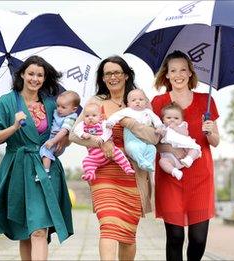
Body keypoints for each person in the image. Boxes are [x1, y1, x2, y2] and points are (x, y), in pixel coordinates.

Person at [0, 55, 73, 261]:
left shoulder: (52, 104)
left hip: (45, 169)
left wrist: (64, 140)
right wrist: (13, 127)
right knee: (26, 231)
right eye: (31, 73)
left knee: (40, 229)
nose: (35, 79)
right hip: (18, 169)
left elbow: (60, 141)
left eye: (40, 75)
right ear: (22, 74)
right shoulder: (7, 102)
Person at [69, 55, 160, 260]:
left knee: (128, 237)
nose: (113, 77)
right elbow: (74, 134)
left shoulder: (140, 101)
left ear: (126, 75)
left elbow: (154, 137)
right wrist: (102, 141)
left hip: (133, 175)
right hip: (104, 173)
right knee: (108, 225)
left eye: (117, 72)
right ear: (102, 78)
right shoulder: (95, 103)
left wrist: (128, 122)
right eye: (108, 73)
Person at [151, 50, 220, 261]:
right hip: (171, 175)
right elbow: (153, 141)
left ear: (190, 73)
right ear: (167, 74)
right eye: (173, 70)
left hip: (200, 176)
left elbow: (215, 142)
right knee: (175, 236)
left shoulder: (206, 101)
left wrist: (210, 131)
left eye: (183, 69)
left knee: (198, 239)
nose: (178, 74)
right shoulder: (158, 102)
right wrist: (172, 151)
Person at [73, 102, 135, 181]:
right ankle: (90, 174)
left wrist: (102, 139)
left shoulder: (103, 123)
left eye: (94, 115)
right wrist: (82, 134)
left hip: (109, 152)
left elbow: (108, 132)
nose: (90, 118)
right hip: (94, 156)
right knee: (86, 161)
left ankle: (127, 168)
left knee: (118, 152)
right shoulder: (82, 125)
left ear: (100, 116)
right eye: (87, 116)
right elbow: (76, 130)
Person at [105, 89, 163, 172]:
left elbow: (156, 119)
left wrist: (159, 127)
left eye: (141, 100)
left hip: (146, 141)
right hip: (132, 139)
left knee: (152, 149)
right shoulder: (127, 111)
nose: (137, 102)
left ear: (146, 102)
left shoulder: (148, 112)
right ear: (128, 104)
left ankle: (148, 163)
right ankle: (142, 162)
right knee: (133, 148)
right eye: (133, 100)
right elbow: (116, 116)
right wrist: (110, 122)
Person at [39, 90, 80, 181]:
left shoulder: (71, 117)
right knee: (44, 152)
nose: (59, 109)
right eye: (58, 106)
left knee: (46, 151)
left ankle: (45, 173)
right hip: (52, 139)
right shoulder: (57, 113)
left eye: (63, 107)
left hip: (56, 141)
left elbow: (64, 131)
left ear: (73, 109)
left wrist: (53, 141)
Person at [158, 102, 202, 181]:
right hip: (171, 159)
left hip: (185, 152)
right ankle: (174, 171)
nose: (172, 120)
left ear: (182, 120)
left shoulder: (182, 126)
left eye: (176, 118)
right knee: (162, 162)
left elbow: (185, 133)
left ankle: (189, 159)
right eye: (168, 118)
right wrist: (159, 131)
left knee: (195, 149)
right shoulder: (163, 127)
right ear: (163, 120)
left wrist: (175, 128)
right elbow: (159, 138)